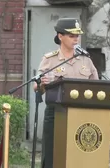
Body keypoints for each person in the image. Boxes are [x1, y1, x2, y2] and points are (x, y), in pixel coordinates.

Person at [33, 18, 99, 168]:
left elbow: (96, 84)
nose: (75, 39)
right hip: (56, 113)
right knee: (53, 155)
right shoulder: (50, 59)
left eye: (77, 36)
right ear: (60, 36)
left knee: (78, 154)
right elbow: (37, 87)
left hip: (81, 113)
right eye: (71, 36)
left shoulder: (85, 59)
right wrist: (41, 84)